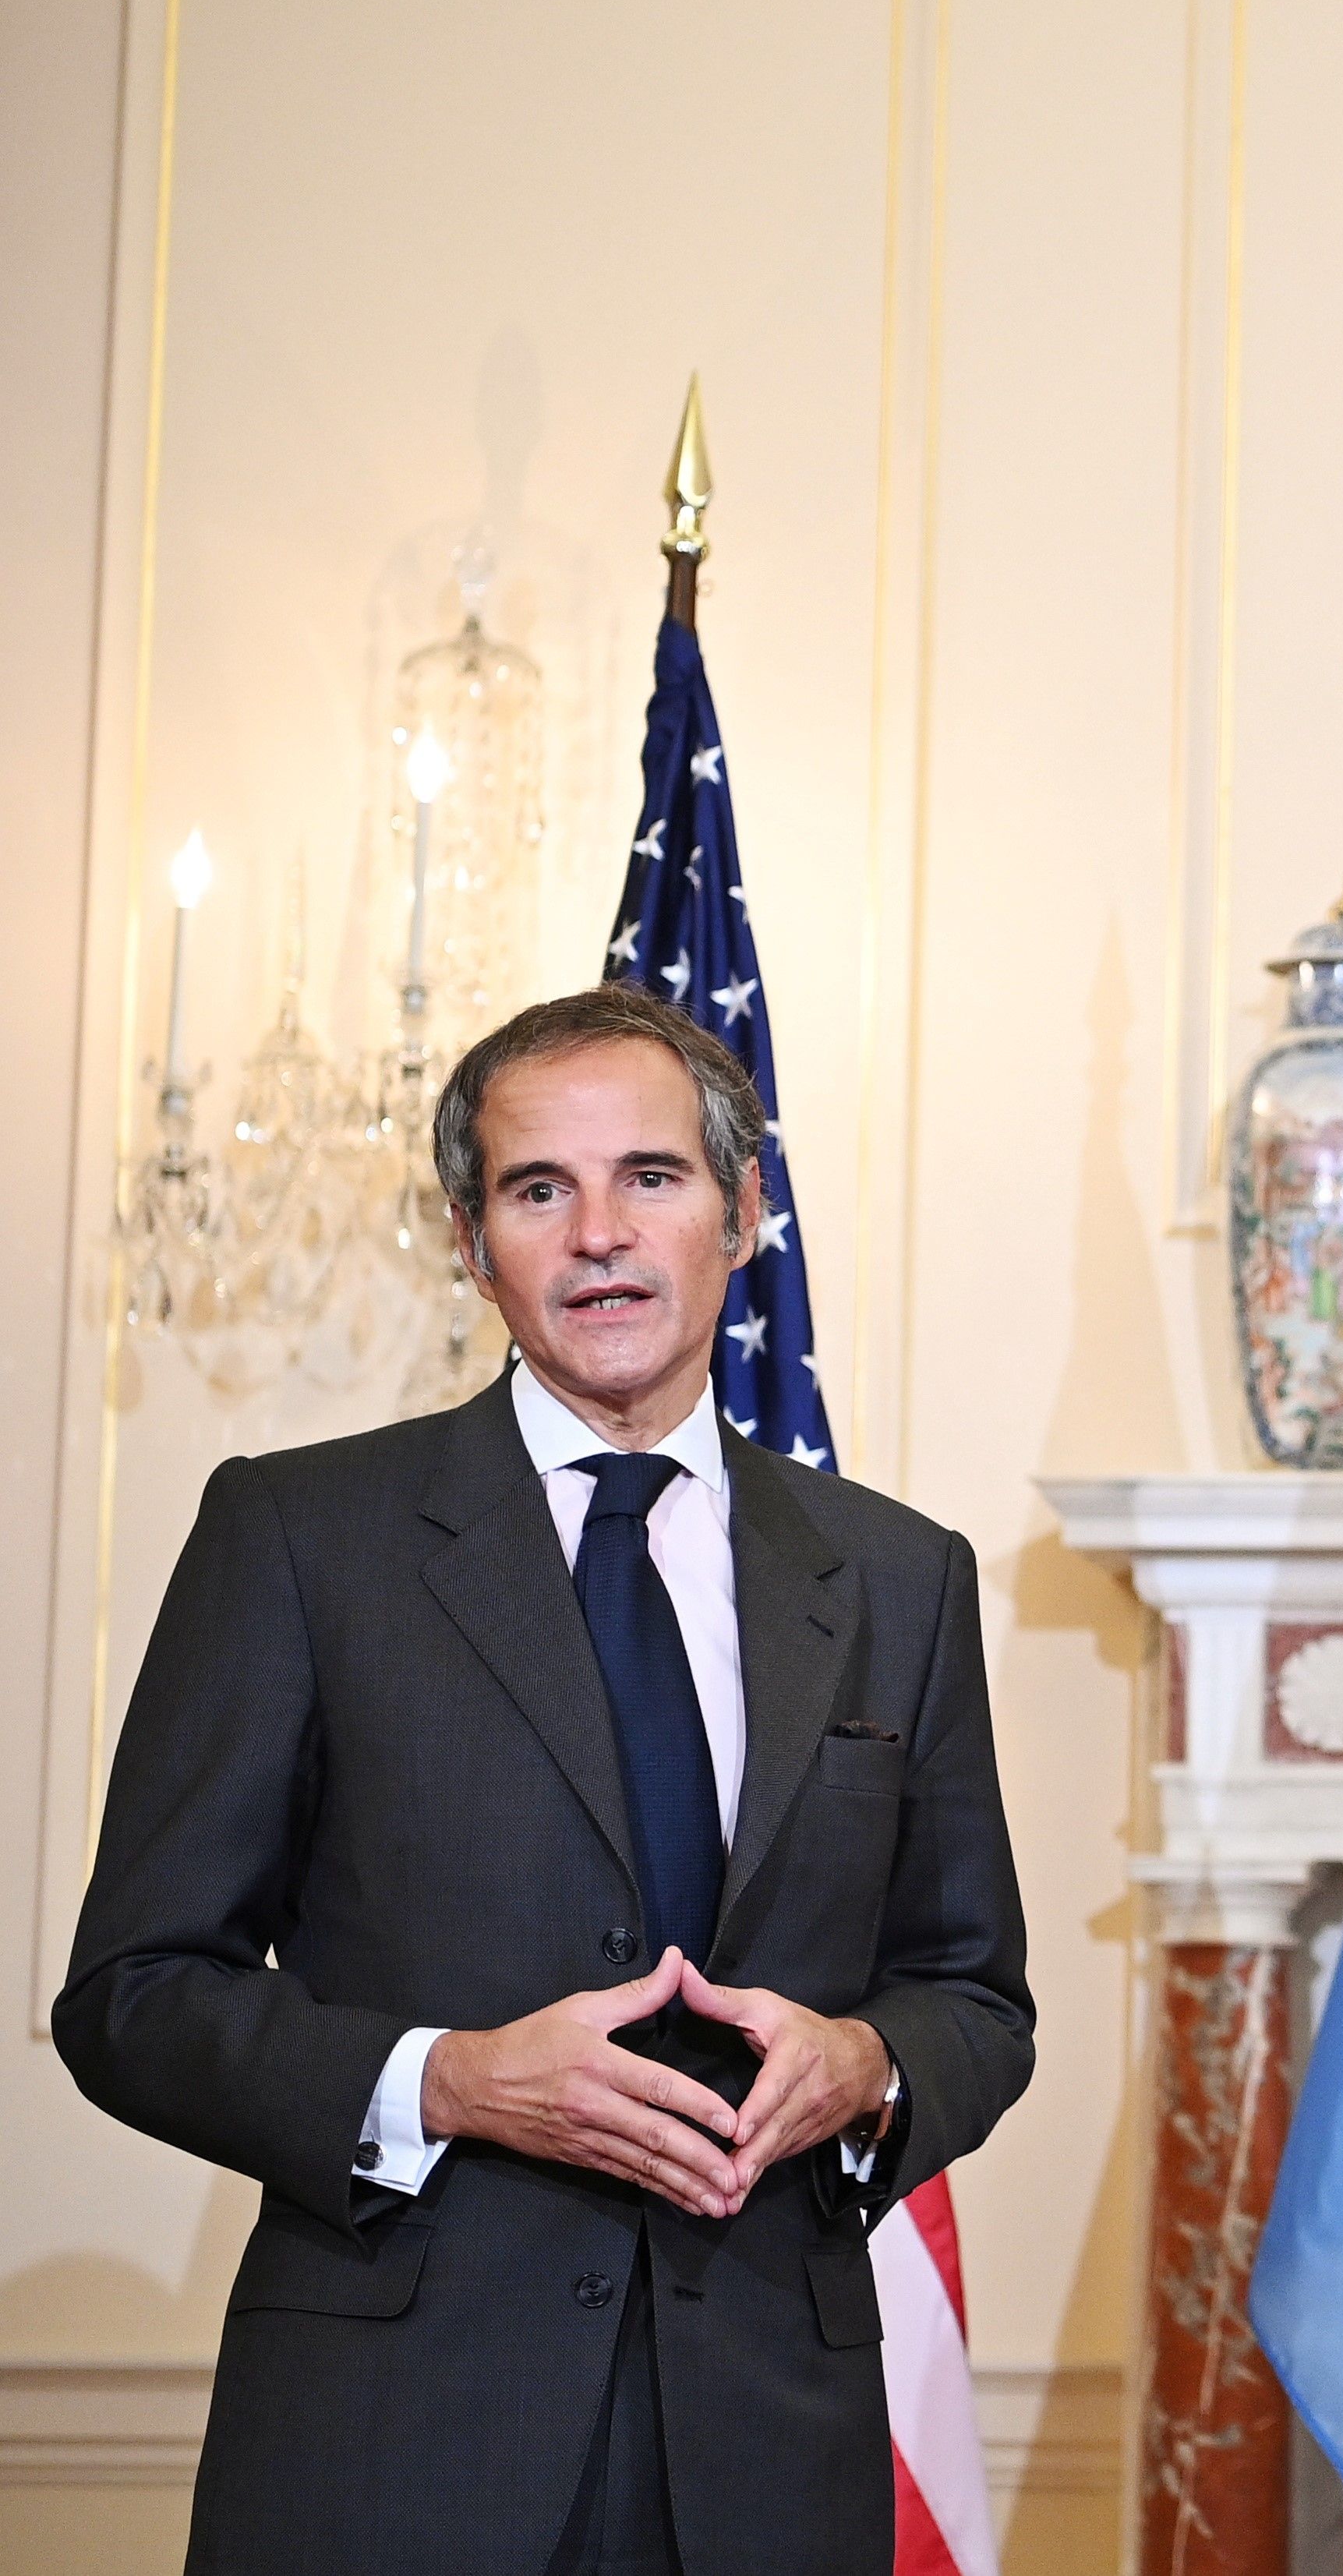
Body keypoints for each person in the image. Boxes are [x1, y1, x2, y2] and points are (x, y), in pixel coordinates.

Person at [58, 984, 1034, 2576]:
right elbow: (134, 1992)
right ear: (471, 1240)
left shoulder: (895, 1576)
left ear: (741, 1210)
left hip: (772, 2457)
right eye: (537, 1188)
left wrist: (864, 2062)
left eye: (650, 1175)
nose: (598, 1233)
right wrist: (444, 2081)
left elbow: (976, 1998)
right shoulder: (303, 1538)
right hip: (392, 2445)